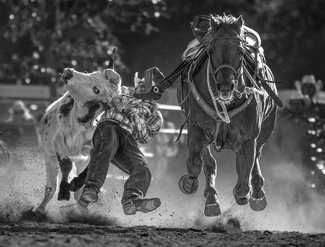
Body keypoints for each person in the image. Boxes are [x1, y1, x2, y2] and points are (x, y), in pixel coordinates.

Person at [70, 67, 164, 215]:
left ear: (153, 93)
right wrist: (108, 73)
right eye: (140, 84)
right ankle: (91, 189)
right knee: (107, 141)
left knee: (143, 169)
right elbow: (104, 83)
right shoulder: (122, 91)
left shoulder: (155, 115)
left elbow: (143, 137)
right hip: (109, 126)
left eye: (145, 86)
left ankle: (132, 199)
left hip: (129, 140)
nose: (140, 86)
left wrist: (131, 111)